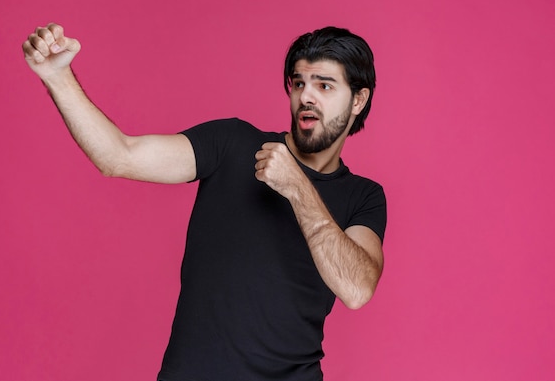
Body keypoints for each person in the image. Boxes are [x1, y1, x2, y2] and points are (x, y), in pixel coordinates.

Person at [22, 23, 387, 381]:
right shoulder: (232, 143)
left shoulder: (364, 196)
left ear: (358, 99)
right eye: (299, 83)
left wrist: (299, 188)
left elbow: (356, 289)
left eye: (324, 85)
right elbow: (119, 156)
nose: (306, 96)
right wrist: (57, 77)